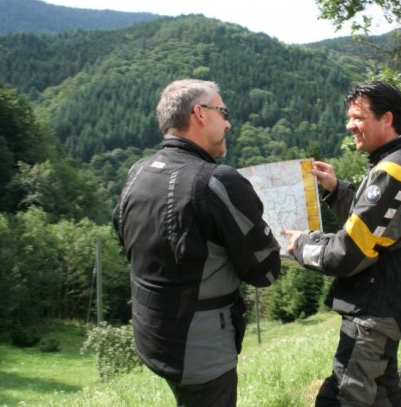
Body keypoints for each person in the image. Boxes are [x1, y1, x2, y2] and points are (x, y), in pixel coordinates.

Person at [113, 79, 281, 406]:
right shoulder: (217, 181)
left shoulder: (138, 172)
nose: (228, 123)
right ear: (200, 113)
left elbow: (126, 239)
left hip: (153, 335)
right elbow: (266, 272)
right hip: (201, 350)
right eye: (223, 112)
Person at [283, 81, 401, 406]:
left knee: (340, 398)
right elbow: (377, 224)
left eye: (358, 117)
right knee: (381, 397)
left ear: (387, 118)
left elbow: (349, 252)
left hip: (373, 315)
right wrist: (337, 189)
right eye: (349, 117)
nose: (349, 125)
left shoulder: (394, 171)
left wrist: (301, 245)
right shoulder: (397, 163)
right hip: (384, 309)